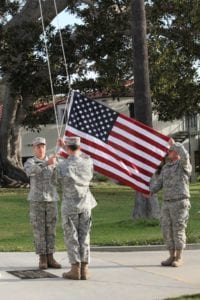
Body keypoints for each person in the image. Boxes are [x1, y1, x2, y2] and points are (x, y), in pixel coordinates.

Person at [57, 136, 97, 280]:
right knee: (84, 236)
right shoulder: (88, 162)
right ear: (79, 147)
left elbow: (55, 179)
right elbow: (87, 161)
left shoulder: (63, 165)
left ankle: (75, 269)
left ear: (67, 148)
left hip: (70, 206)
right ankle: (85, 269)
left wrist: (59, 149)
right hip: (86, 204)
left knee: (71, 237)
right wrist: (66, 148)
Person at [149, 138, 192, 267]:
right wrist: (151, 191)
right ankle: (171, 256)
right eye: (169, 150)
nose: (168, 152)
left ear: (176, 152)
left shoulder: (183, 165)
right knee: (166, 229)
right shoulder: (166, 167)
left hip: (180, 202)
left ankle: (179, 258)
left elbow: (185, 154)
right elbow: (159, 183)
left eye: (170, 150)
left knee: (178, 229)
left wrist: (175, 144)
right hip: (167, 203)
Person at [24, 137, 61, 270]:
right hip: (37, 200)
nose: (40, 148)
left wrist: (56, 163)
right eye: (38, 146)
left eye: (43, 146)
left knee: (51, 229)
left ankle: (51, 256)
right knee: (39, 230)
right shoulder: (30, 161)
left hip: (51, 199)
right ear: (33, 148)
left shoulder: (52, 161)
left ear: (46, 147)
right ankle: (42, 258)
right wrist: (47, 164)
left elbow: (58, 177)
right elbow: (30, 171)